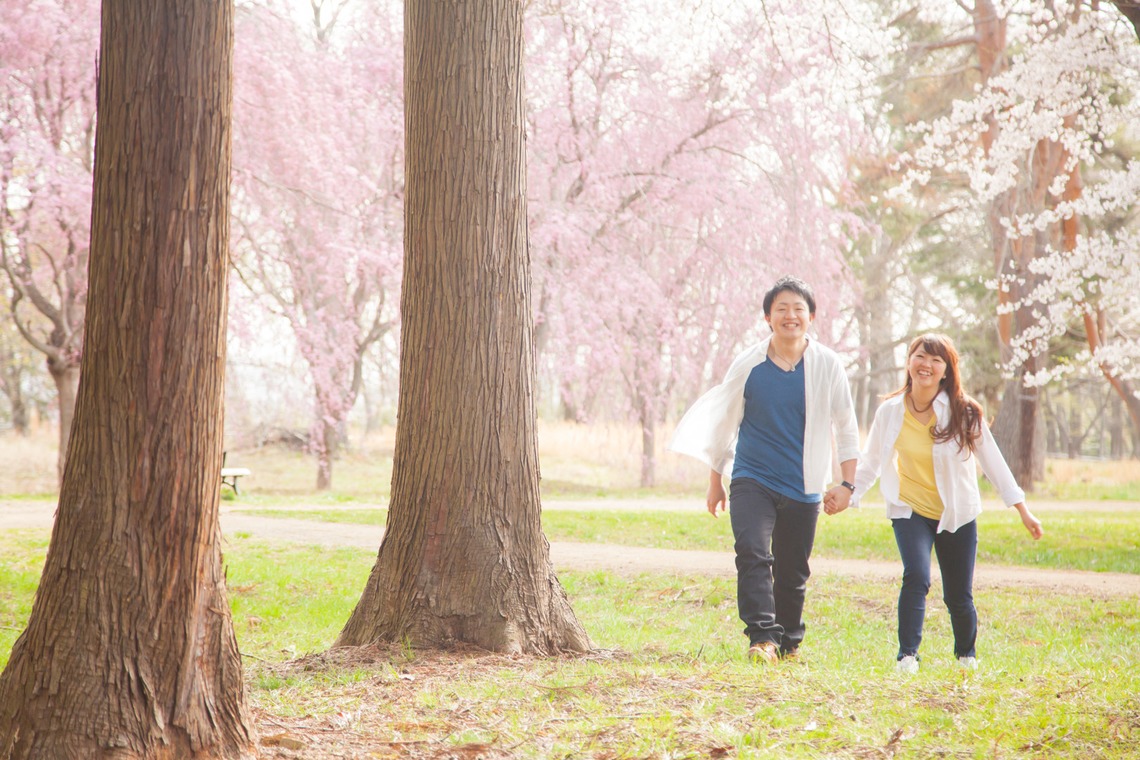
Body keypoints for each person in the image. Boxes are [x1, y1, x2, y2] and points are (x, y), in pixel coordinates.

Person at [826, 333, 1044, 673]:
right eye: (919, 356)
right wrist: (847, 492)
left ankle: (966, 656)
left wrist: (1022, 509)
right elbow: (870, 463)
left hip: (957, 512)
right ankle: (907, 656)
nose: (926, 364)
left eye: (936, 360)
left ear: (946, 370)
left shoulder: (964, 412)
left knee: (958, 594)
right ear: (909, 363)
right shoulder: (890, 412)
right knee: (916, 575)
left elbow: (993, 463)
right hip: (910, 509)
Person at [669, 276, 859, 664]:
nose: (790, 316)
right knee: (752, 551)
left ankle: (788, 641)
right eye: (781, 309)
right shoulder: (749, 364)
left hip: (803, 484)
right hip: (752, 478)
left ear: (811, 317)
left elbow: (846, 424)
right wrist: (715, 480)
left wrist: (847, 483)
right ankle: (762, 638)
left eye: (798, 309)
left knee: (793, 571)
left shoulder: (827, 364)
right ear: (768, 318)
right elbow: (724, 424)